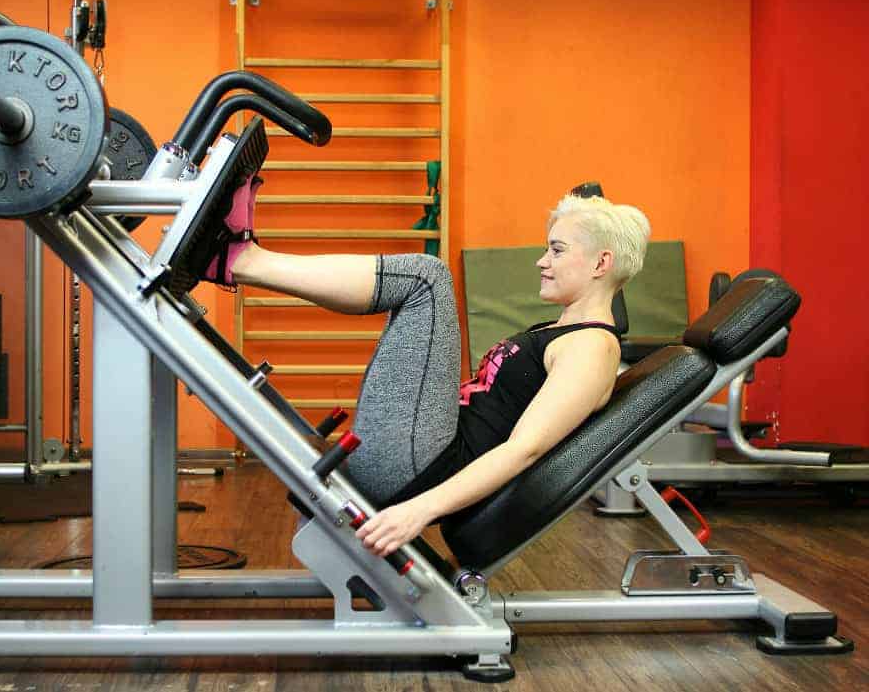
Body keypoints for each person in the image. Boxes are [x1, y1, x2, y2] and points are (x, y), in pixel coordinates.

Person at [200, 178, 651, 558]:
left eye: (556, 250)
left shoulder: (592, 347)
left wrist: (420, 510)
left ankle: (241, 259)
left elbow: (525, 449)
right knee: (423, 280)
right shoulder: (563, 332)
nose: (542, 261)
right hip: (419, 454)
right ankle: (241, 255)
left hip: (425, 466)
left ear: (601, 263)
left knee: (425, 279)